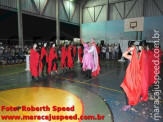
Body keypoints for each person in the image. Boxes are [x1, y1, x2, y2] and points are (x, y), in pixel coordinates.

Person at [121, 45, 141, 111]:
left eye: (132, 51)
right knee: (133, 90)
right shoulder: (139, 56)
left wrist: (129, 50)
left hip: (131, 77)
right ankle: (132, 103)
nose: (131, 52)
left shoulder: (132, 57)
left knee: (127, 90)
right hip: (136, 77)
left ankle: (128, 104)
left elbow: (124, 54)